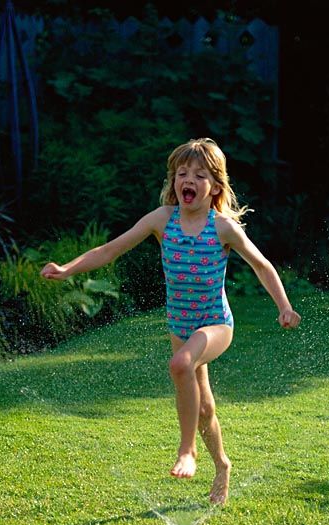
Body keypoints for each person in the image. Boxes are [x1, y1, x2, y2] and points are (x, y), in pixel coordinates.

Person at [41, 137, 301, 504]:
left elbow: (261, 265)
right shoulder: (162, 221)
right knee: (205, 407)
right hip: (181, 326)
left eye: (198, 174)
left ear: (214, 187)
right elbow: (110, 249)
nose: (187, 180)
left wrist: (284, 306)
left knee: (180, 364)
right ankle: (223, 465)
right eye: (182, 173)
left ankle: (187, 450)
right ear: (174, 182)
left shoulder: (222, 227)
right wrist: (68, 268)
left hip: (215, 325)